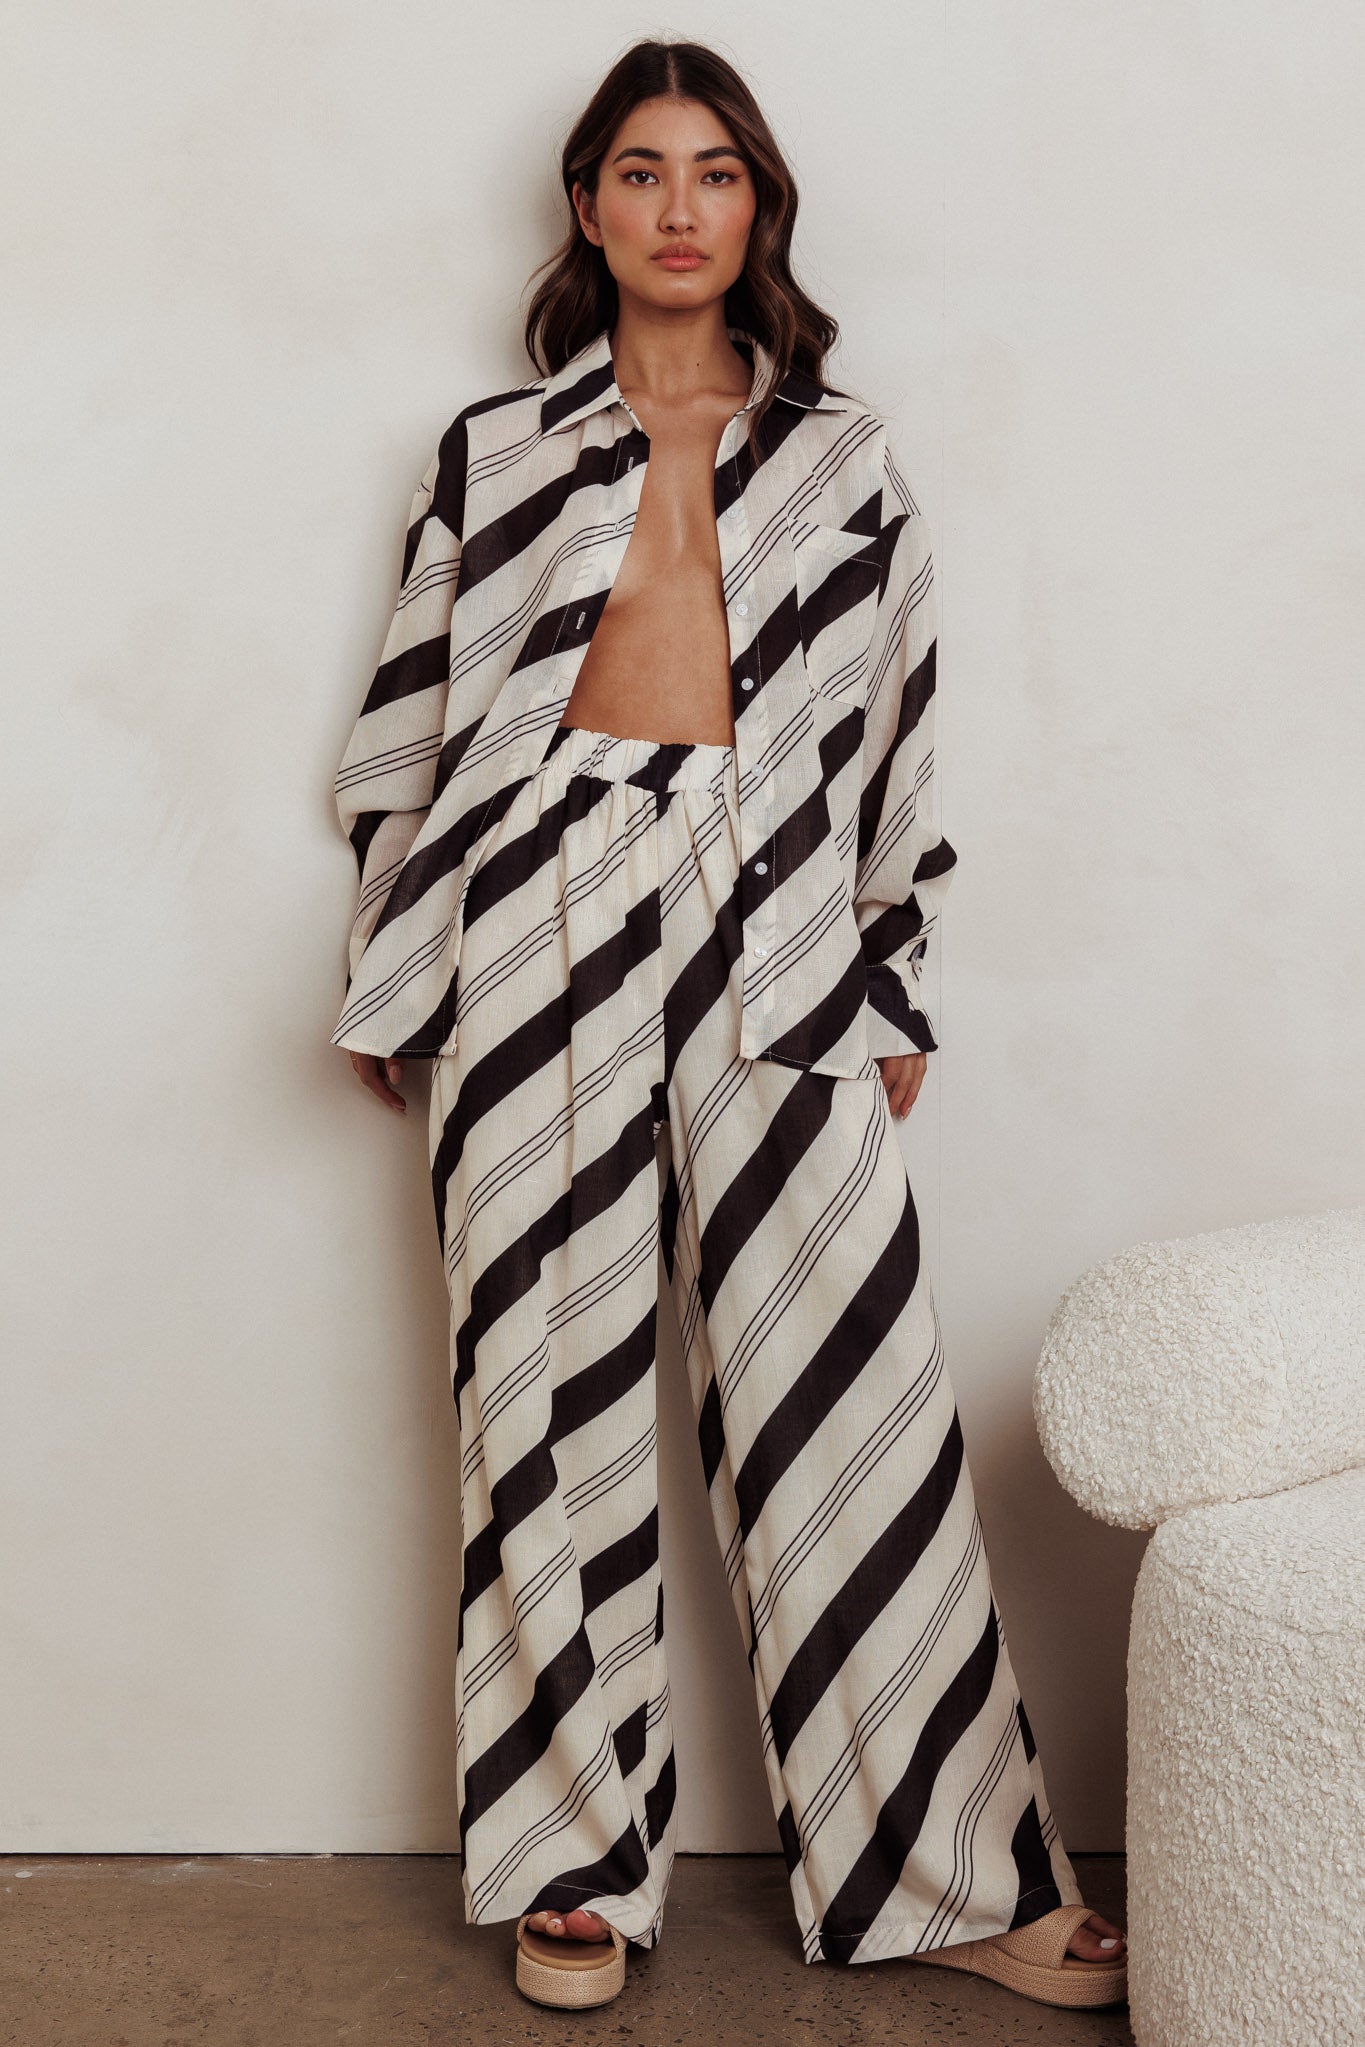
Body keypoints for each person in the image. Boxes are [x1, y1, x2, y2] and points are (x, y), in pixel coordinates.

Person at [330, 37, 1128, 2017]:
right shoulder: (489, 452)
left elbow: (897, 744)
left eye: (713, 172)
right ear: (586, 206)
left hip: (777, 922)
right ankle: (571, 1860)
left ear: (757, 204)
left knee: (847, 1384)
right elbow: (405, 731)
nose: (676, 206)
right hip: (532, 912)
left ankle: (947, 1873)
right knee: (541, 1389)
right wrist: (392, 962)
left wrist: (889, 971)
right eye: (638, 170)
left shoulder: (845, 461)